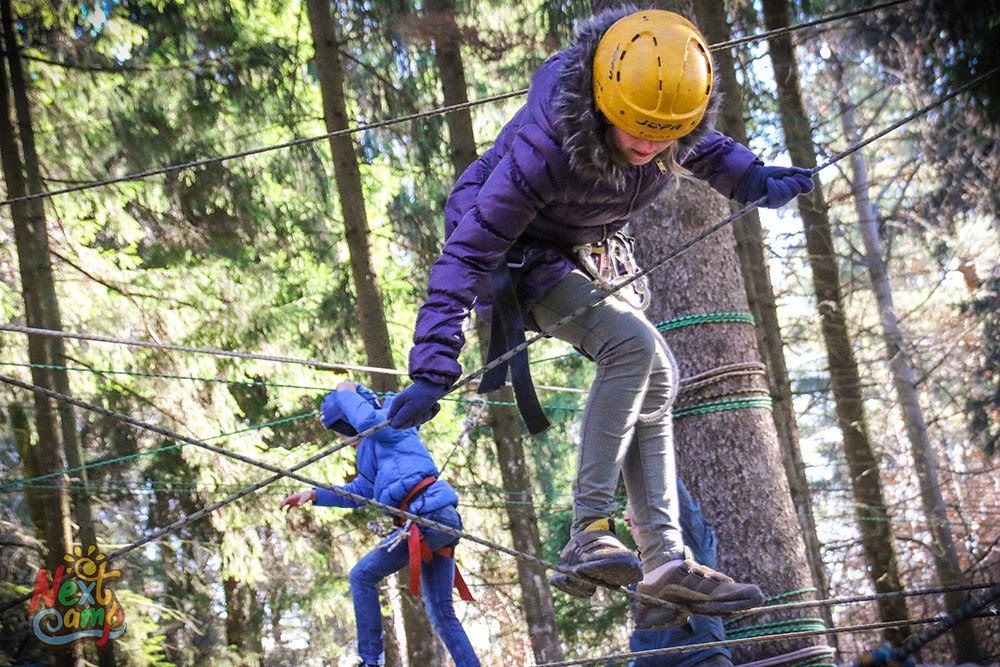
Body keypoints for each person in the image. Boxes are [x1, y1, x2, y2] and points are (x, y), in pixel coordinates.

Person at [386, 5, 814, 628]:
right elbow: (469, 252)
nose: (647, 145)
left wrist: (750, 177)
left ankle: (665, 563)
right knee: (632, 349)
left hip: (573, 252)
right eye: (634, 128)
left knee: (660, 375)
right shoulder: (547, 149)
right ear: (603, 102)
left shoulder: (668, 123)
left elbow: (703, 146)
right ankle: (589, 532)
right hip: (516, 259)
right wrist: (432, 364)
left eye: (662, 134)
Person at [281, 381, 480, 667]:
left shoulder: (393, 423)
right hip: (431, 519)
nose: (344, 440)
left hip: (426, 516)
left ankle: (370, 660)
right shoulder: (373, 448)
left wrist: (344, 391)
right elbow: (362, 491)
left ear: (348, 421)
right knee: (440, 610)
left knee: (362, 576)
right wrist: (314, 495)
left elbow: (367, 419)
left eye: (341, 433)